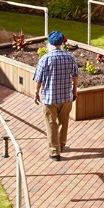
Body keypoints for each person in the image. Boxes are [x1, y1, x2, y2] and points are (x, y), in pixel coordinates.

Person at [33, 29, 78, 159]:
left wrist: (36, 92)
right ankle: (61, 145)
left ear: (50, 44)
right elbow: (76, 76)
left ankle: (54, 152)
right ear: (61, 43)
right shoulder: (70, 57)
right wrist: (74, 90)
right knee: (64, 122)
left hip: (49, 98)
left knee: (51, 124)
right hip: (66, 97)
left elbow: (38, 79)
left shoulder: (45, 59)